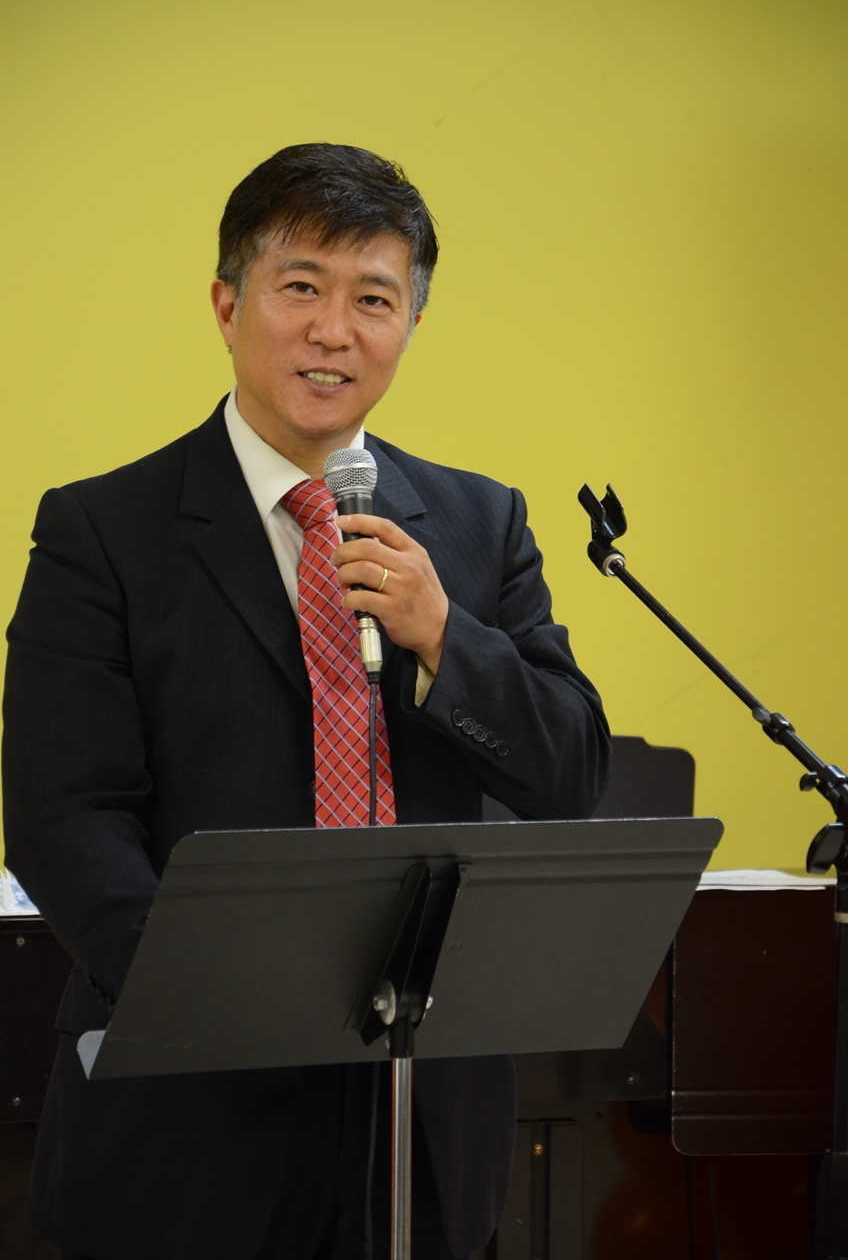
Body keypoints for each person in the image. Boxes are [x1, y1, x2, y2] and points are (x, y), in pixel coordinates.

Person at [2, 143, 610, 1260]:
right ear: (227, 305)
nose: (334, 331)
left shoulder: (479, 527)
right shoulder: (103, 531)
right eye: (300, 287)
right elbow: (63, 816)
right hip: (193, 1106)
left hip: (425, 1111)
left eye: (373, 298)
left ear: (410, 324)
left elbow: (569, 775)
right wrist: (225, 998)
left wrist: (446, 636)